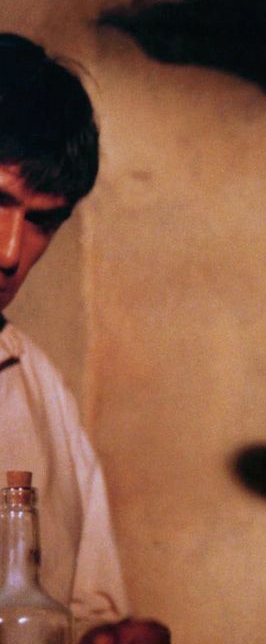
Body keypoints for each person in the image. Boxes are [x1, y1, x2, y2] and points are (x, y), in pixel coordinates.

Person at [0, 34, 168, 644]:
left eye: (42, 221)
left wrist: (104, 637)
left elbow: (86, 608)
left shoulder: (38, 387)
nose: (10, 252)